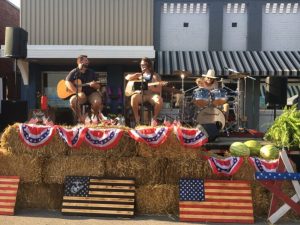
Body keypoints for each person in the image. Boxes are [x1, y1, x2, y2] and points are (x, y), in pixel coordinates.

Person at [125, 57, 165, 126]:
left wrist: (151, 88)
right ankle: (137, 119)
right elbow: (127, 77)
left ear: (149, 65)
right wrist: (135, 75)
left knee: (159, 100)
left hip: (151, 95)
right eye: (141, 65)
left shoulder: (155, 76)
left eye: (144, 64)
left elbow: (159, 90)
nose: (142, 66)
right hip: (142, 95)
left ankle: (154, 119)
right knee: (133, 97)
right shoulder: (139, 75)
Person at [65, 55, 102, 123]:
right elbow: (67, 82)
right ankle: (81, 118)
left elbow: (98, 86)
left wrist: (94, 85)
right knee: (73, 101)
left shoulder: (92, 72)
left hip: (92, 93)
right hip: (81, 94)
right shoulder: (74, 72)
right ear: (80, 62)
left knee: (97, 102)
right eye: (86, 60)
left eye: (87, 60)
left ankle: (93, 117)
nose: (88, 62)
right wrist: (76, 92)